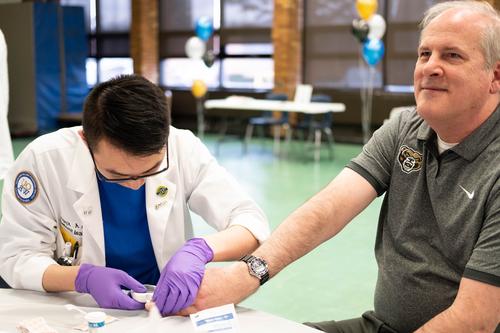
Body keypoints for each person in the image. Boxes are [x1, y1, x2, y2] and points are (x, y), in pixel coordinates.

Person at [181, 1, 500, 332]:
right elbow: (329, 208)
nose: (430, 67)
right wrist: (247, 272)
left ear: (495, 75)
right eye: (424, 54)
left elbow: (474, 320)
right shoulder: (406, 128)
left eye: (452, 56)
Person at [0, 74, 270, 316]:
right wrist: (81, 278)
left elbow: (250, 222)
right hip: (80, 306)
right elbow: (17, 257)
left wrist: (201, 250)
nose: (135, 184)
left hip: (165, 307)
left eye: (152, 169)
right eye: (116, 174)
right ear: (85, 140)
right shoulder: (44, 160)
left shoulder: (181, 147)